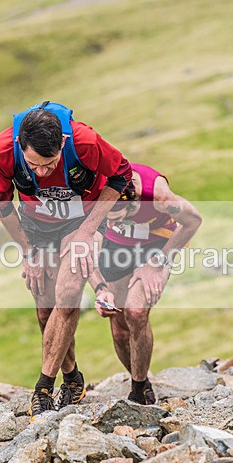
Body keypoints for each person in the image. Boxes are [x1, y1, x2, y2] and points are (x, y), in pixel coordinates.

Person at [0, 101, 132, 418]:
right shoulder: (0, 150)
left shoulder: (85, 142)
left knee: (68, 296)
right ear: (19, 145)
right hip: (36, 227)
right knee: (45, 311)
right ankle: (72, 377)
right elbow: (1, 204)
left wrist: (88, 230)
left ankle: (43, 388)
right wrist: (29, 252)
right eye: (33, 165)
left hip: (83, 222)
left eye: (50, 164)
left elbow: (122, 175)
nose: (41, 172)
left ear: (63, 144)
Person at [89, 163, 202, 404]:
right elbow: (83, 248)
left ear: (133, 200)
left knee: (136, 312)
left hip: (155, 243)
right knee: (118, 324)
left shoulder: (157, 196)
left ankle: (139, 391)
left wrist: (158, 262)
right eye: (108, 218)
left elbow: (193, 221)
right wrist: (100, 289)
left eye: (119, 216)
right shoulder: (94, 195)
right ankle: (141, 379)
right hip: (115, 247)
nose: (114, 221)